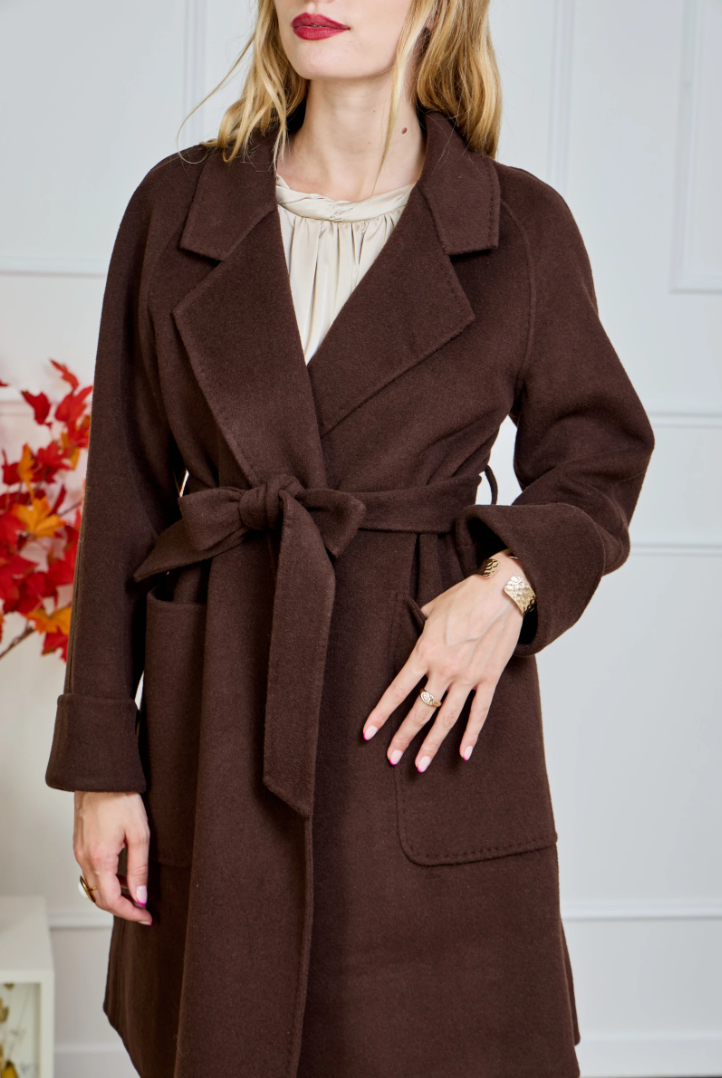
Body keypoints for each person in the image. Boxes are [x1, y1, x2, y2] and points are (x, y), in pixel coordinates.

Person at [45, 1, 655, 1076]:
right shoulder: (177, 207)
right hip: (218, 723)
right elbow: (128, 495)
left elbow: (597, 457)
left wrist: (506, 590)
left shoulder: (518, 227)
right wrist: (104, 768)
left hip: (417, 729)